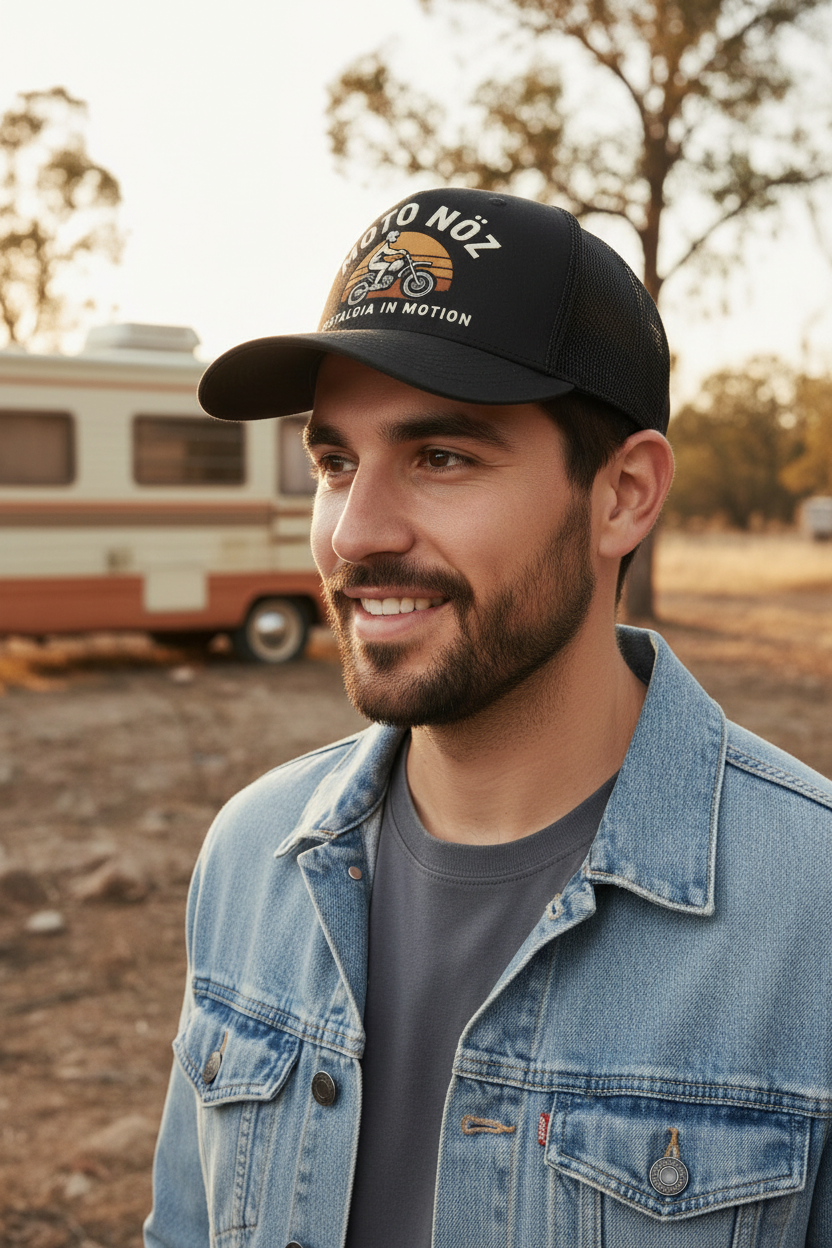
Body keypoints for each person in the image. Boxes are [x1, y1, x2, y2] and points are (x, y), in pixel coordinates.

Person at [145, 188, 832, 1248]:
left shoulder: (810, 911)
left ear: (623, 495)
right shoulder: (252, 857)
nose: (353, 534)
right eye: (335, 464)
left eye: (441, 457)